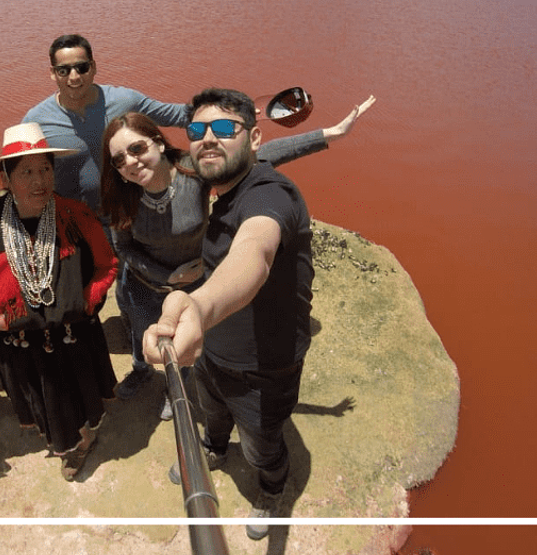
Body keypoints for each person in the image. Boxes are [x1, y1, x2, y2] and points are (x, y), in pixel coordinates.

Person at [142, 88, 334, 540]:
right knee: (212, 412)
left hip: (264, 364)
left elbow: (255, 252)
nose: (209, 138)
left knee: (262, 443)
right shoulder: (220, 186)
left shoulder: (271, 194)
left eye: (225, 128)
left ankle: (271, 491)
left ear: (254, 139)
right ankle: (212, 448)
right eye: (198, 130)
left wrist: (199, 305)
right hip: (213, 348)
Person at [101, 96, 375, 413]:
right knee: (141, 334)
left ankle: (174, 385)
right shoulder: (119, 196)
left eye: (137, 149)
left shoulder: (193, 173)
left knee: (185, 340)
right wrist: (166, 277)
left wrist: (328, 135)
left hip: (195, 286)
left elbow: (257, 156)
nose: (131, 162)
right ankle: (140, 371)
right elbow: (122, 248)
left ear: (159, 144)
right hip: (143, 288)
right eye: (119, 160)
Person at [0, 124, 119, 480]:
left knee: (81, 392)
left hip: (74, 336)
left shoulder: (75, 215)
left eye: (45, 169)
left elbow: (106, 264)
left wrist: (88, 300)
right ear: (5, 178)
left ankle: (83, 440)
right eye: (26, 171)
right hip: (21, 344)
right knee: (46, 400)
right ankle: (65, 441)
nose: (39, 180)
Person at [21, 35, 187, 216]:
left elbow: (178, 115)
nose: (74, 77)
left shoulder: (125, 102)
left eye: (82, 67)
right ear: (53, 73)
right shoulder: (36, 120)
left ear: (93, 68)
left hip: (128, 214)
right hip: (72, 222)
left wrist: (219, 111)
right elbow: (16, 169)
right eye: (64, 71)